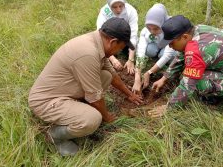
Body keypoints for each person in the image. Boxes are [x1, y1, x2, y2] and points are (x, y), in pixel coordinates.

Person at [28, 18, 143, 156]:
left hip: (63, 90)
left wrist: (129, 94)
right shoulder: (88, 53)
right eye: (121, 47)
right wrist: (107, 117)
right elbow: (95, 98)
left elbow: (112, 74)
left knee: (105, 76)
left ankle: (77, 110)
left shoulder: (97, 42)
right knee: (93, 119)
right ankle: (55, 136)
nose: (118, 52)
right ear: (113, 42)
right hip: (46, 101)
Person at [148, 15, 223, 117]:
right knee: (189, 69)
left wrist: (169, 107)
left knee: (198, 81)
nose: (170, 47)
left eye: (171, 43)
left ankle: (215, 98)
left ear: (185, 37)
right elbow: (181, 56)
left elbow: (188, 84)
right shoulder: (196, 31)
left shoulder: (199, 50)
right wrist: (165, 78)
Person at [132, 3, 176, 94]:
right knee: (149, 51)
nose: (152, 31)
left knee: (165, 55)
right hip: (156, 45)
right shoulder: (146, 31)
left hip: (168, 48)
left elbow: (167, 54)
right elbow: (140, 51)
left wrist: (149, 72)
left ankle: (159, 56)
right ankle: (157, 54)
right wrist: (137, 77)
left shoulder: (171, 29)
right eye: (149, 28)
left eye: (156, 28)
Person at [96, 0, 138, 74]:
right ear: (109, 5)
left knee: (134, 49)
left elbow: (133, 35)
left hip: (125, 37)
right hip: (110, 40)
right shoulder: (104, 12)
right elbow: (99, 35)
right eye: (114, 7)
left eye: (121, 6)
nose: (118, 10)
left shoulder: (131, 11)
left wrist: (131, 59)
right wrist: (112, 59)